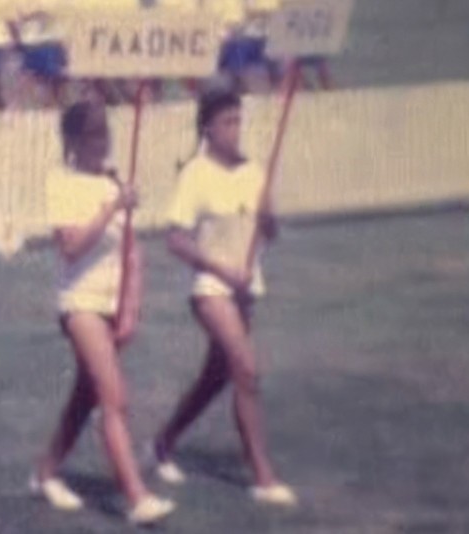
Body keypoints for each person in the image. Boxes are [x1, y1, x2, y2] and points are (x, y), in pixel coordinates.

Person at [151, 89, 298, 506]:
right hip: (211, 289)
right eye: (227, 122)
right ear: (208, 129)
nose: (235, 129)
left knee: (216, 378)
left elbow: (269, 232)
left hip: (245, 288)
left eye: (238, 120)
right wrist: (221, 270)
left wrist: (270, 221)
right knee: (247, 371)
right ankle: (264, 477)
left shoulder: (254, 172)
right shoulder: (194, 174)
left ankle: (163, 441)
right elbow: (176, 240)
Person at [32, 101, 176, 525]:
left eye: (105, 132)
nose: (103, 141)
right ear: (73, 140)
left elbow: (133, 253)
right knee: (115, 397)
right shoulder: (61, 182)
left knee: (85, 396)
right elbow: (71, 246)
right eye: (93, 134)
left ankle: (45, 473)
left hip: (113, 305)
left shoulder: (115, 181)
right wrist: (112, 208)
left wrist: (130, 309)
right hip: (81, 303)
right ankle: (137, 498)